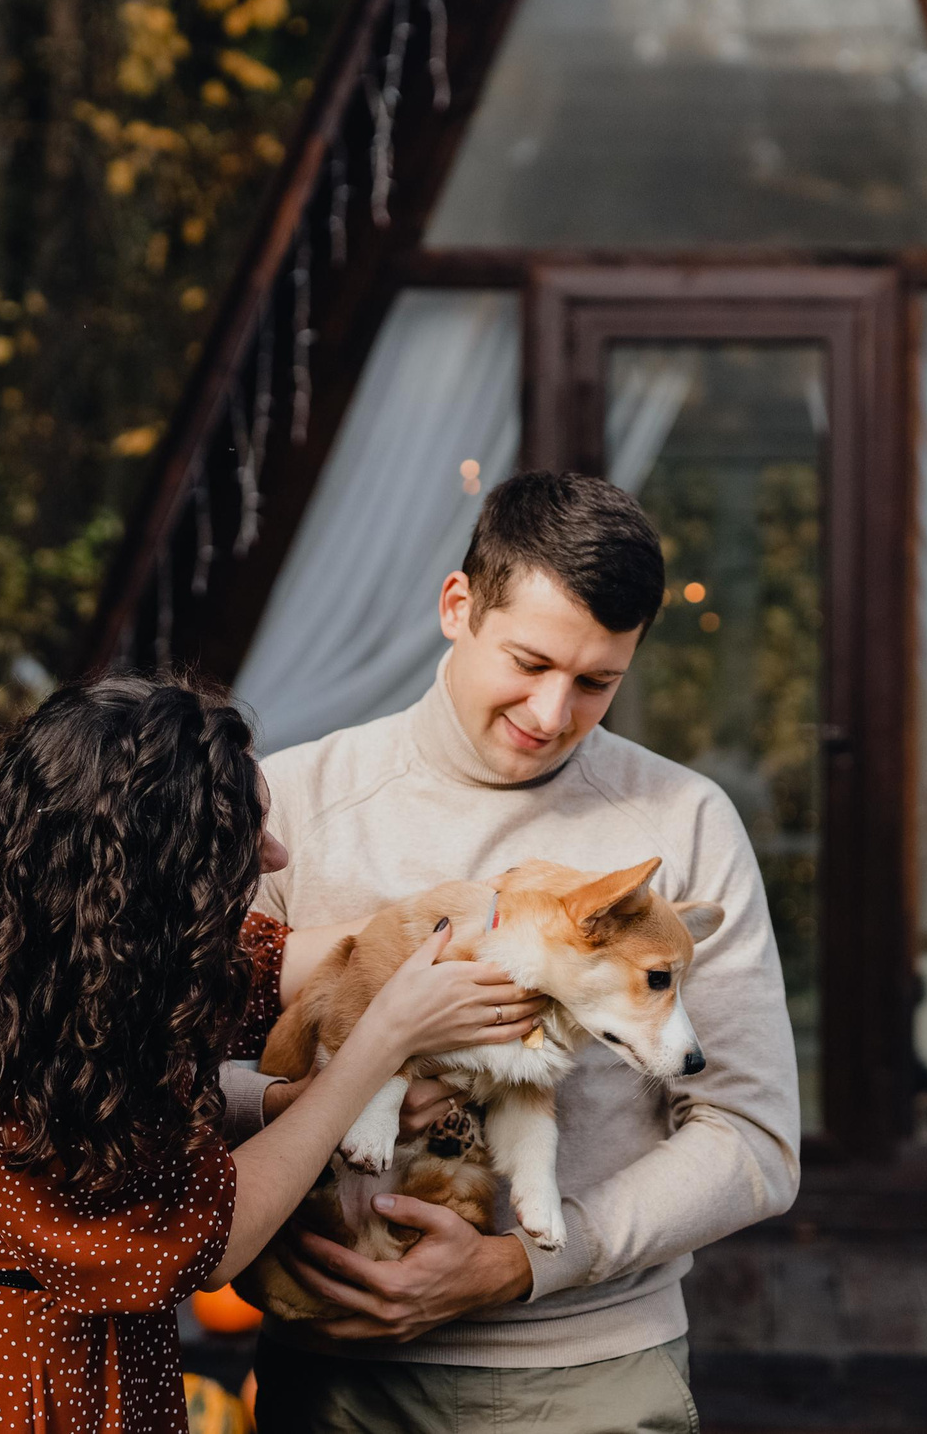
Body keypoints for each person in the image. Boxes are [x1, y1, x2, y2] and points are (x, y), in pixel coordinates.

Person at [234, 472, 803, 1434]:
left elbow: (754, 1139)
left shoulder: (684, 820)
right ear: (459, 606)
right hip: (335, 1372)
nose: (550, 711)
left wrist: (528, 1261)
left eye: (595, 682)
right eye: (529, 661)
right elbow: (168, 1070)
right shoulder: (288, 807)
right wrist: (293, 1101)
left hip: (589, 1374)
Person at [0, 674, 547, 1433]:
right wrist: (383, 1044)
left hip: (127, 1376)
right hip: (9, 1386)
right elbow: (210, 1234)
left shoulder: (118, 957)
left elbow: (326, 958)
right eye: (246, 835)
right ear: (148, 864)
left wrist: (515, 928)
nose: (278, 855)